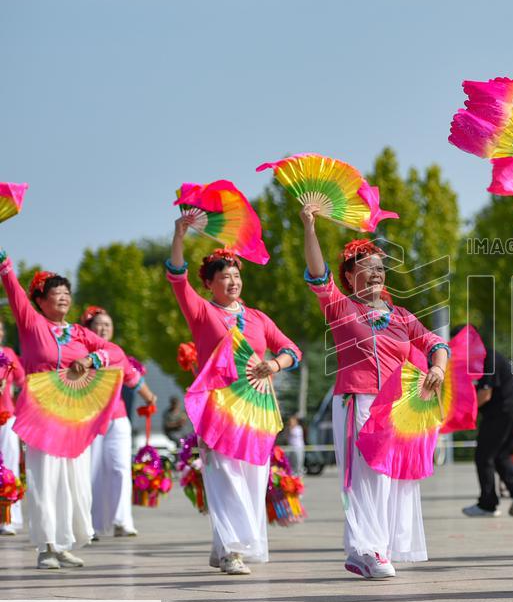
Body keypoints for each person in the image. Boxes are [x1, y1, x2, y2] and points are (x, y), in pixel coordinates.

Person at [299, 203, 448, 580]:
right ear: (350, 277)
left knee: (391, 477)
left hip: (397, 407)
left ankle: (380, 546)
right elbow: (318, 276)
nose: (377, 275)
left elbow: (435, 343)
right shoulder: (340, 307)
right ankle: (366, 549)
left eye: (380, 269)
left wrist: (437, 367)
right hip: (357, 400)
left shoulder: (400, 316)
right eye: (367, 269)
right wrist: (310, 227)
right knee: (365, 476)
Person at [168, 214, 302, 576]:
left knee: (254, 478)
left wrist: (274, 366)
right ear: (209, 283)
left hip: (257, 407)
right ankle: (232, 551)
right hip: (219, 406)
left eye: (237, 275)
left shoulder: (258, 317)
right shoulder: (201, 311)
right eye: (224, 276)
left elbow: (292, 350)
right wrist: (179, 234)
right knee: (224, 475)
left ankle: (228, 546)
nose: (233, 281)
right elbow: (176, 277)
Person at [0, 253, 143, 568]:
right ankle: (46, 546)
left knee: (74, 478)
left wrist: (92, 360)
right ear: (39, 299)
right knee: (44, 476)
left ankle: (63, 542)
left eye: (66, 292)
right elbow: (11, 286)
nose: (63, 296)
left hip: (75, 412)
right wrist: (4, 261)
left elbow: (115, 352)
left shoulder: (79, 332)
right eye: (55, 292)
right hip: (41, 409)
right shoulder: (32, 322)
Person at [80, 306, 157, 539]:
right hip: (90, 420)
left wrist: (151, 398)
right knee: (90, 471)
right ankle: (88, 525)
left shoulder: (116, 352)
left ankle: (122, 521)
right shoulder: (80, 352)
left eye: (108, 325)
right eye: (98, 324)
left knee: (120, 469)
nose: (103, 328)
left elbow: (134, 379)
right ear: (89, 329)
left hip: (118, 419)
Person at [463, 346, 513, 518]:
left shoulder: (487, 357)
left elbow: (485, 394)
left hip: (503, 412)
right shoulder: (491, 355)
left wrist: (463, 413)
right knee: (500, 455)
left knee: (484, 456)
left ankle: (487, 504)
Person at [0, 320, 25, 535]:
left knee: (9, 465)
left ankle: (8, 517)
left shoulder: (8, 353)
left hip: (6, 417)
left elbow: (22, 381)